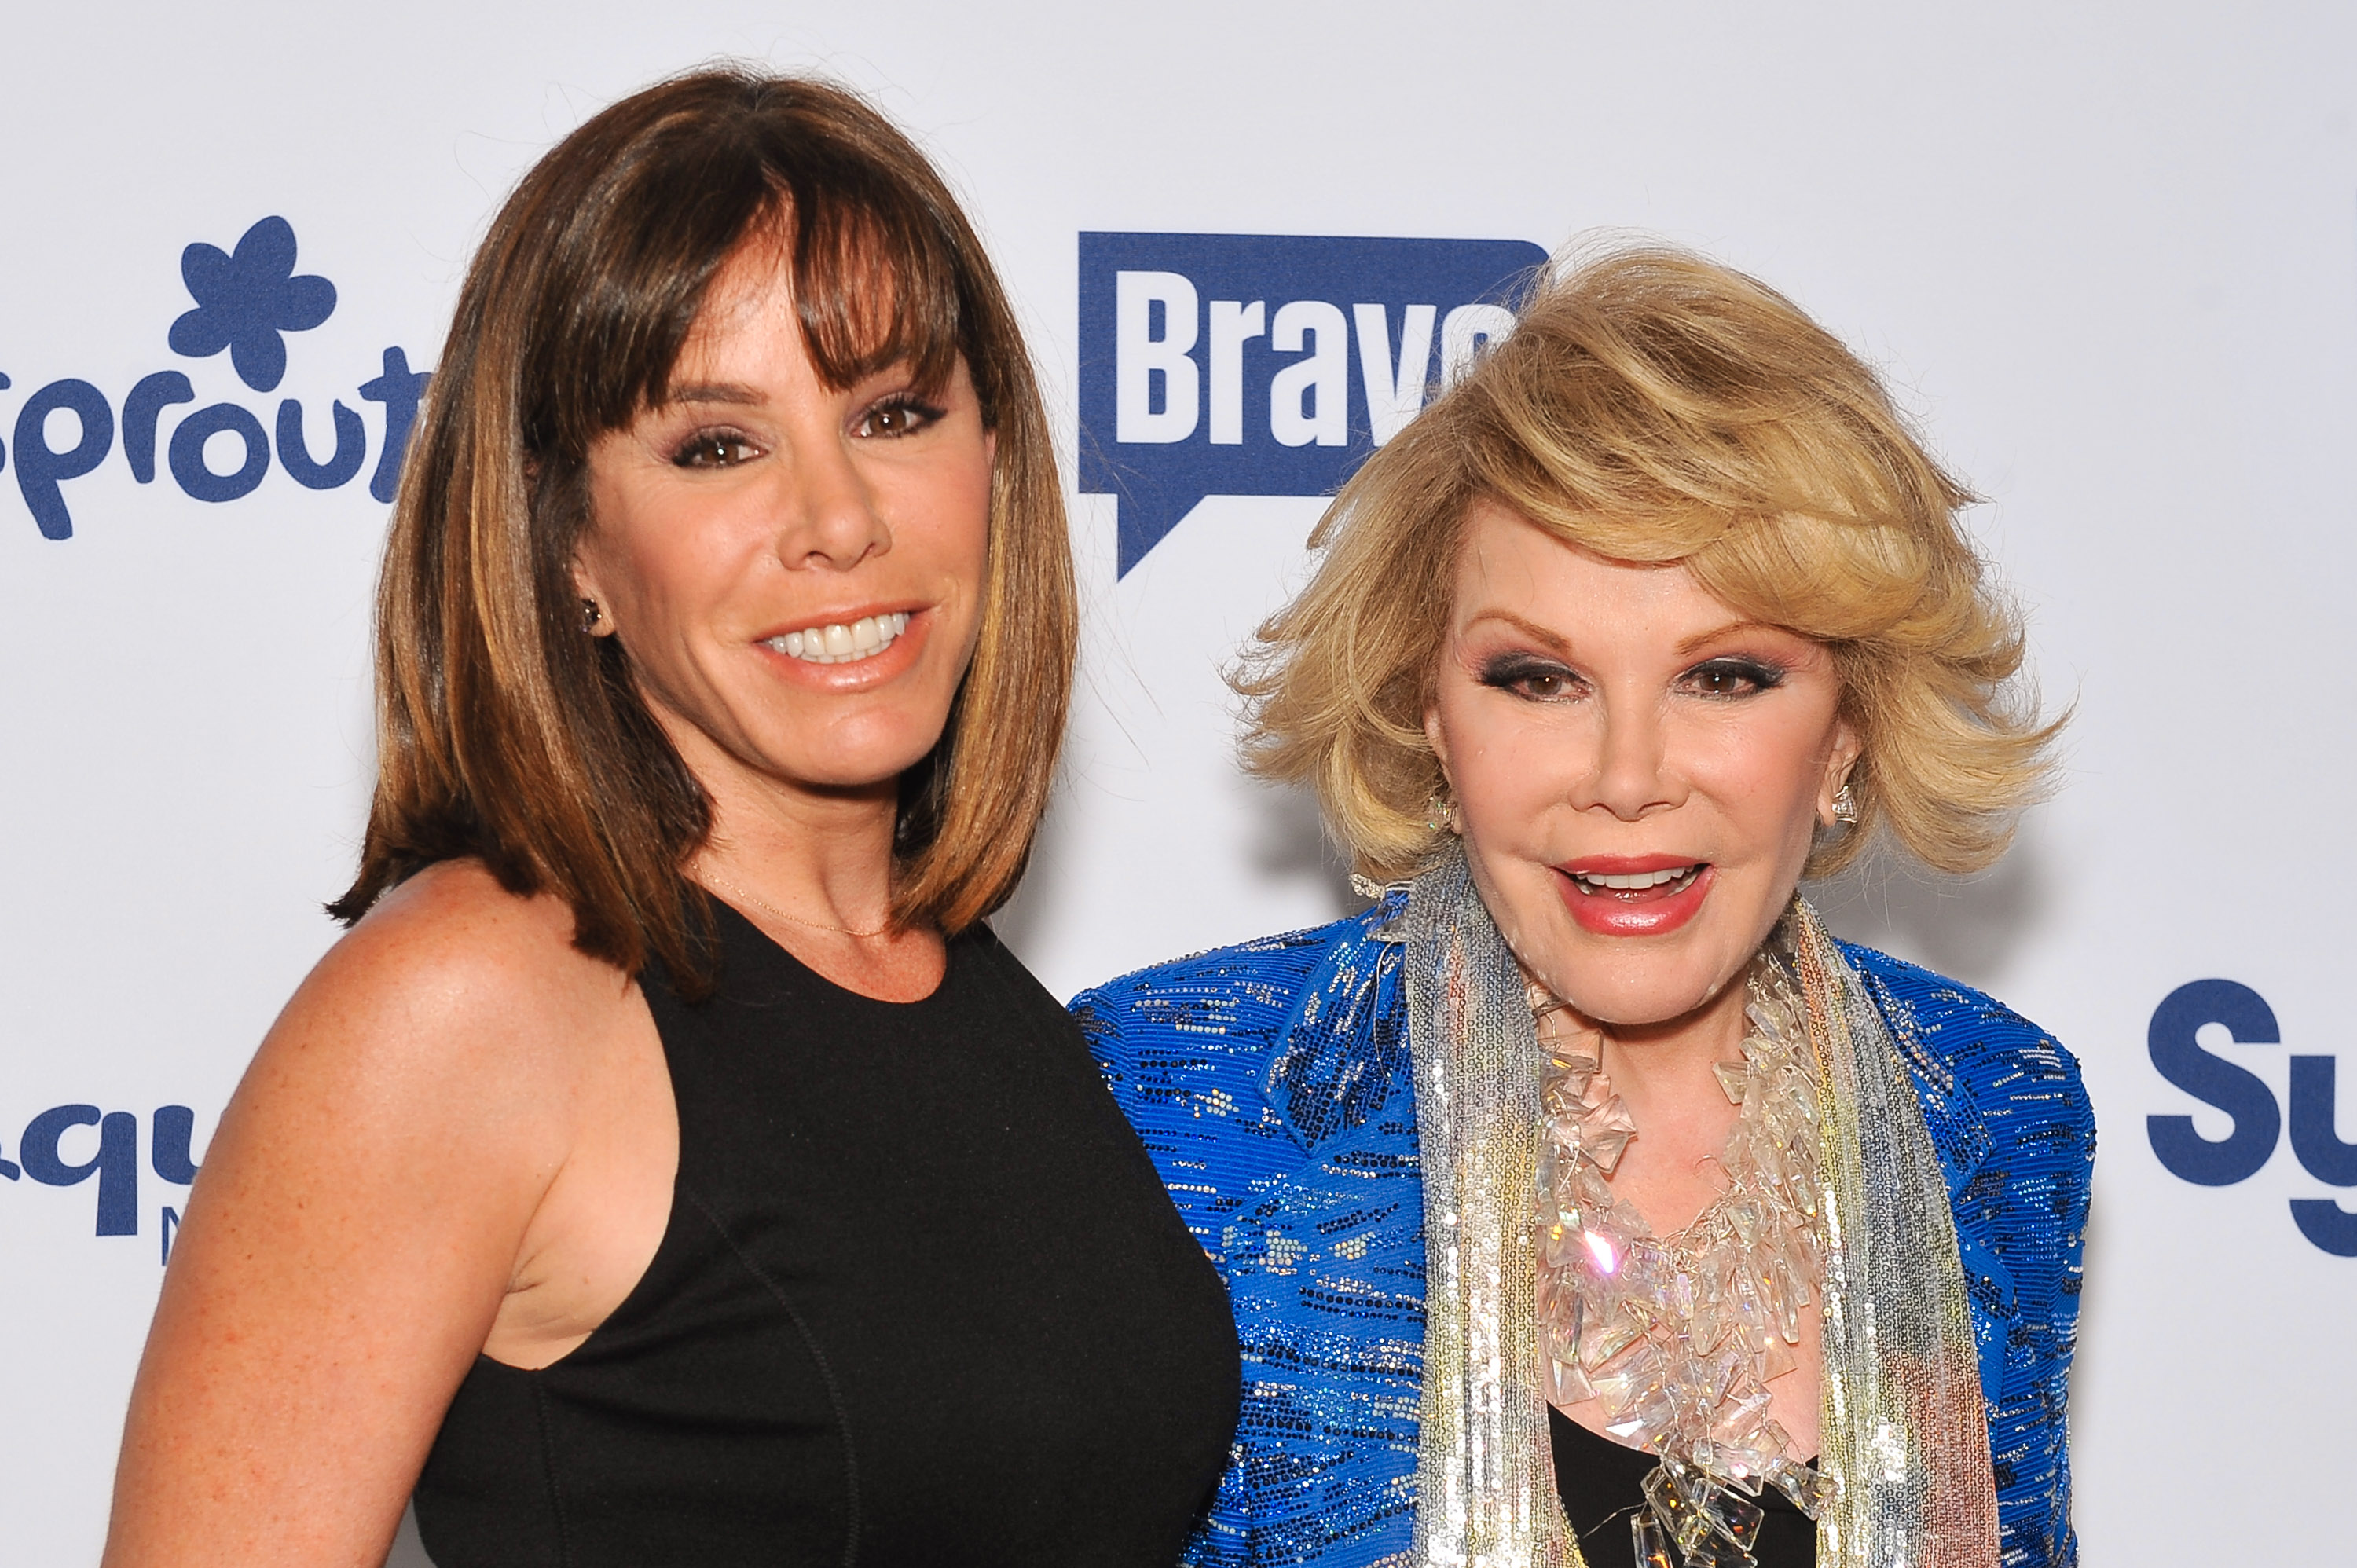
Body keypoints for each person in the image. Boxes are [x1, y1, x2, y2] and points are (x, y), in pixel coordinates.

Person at [104, 69, 1238, 1568]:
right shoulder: (472, 1006)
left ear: (996, 460)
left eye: (895, 412)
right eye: (718, 445)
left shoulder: (984, 1006)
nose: (840, 520)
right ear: (570, 540)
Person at [1076, 247, 2093, 1568]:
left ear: (1850, 726)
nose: (1627, 780)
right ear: (1430, 710)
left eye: (1724, 676)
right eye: (1539, 679)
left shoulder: (2001, 1112)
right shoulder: (1179, 1101)